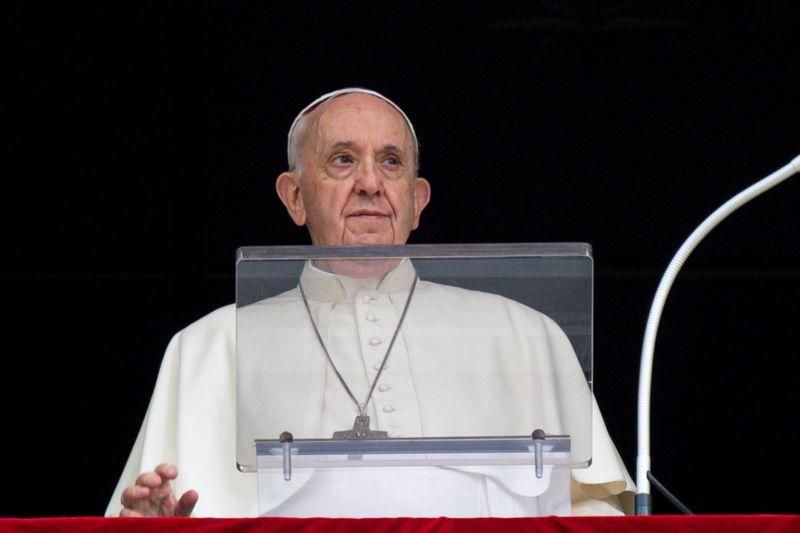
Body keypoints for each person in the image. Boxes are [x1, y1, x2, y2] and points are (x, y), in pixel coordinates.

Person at [108, 88, 634, 518]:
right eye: (342, 160)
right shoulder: (209, 347)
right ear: (294, 196)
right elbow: (158, 517)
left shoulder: (524, 333)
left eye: (390, 162)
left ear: (417, 200)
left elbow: (598, 514)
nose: (369, 183)